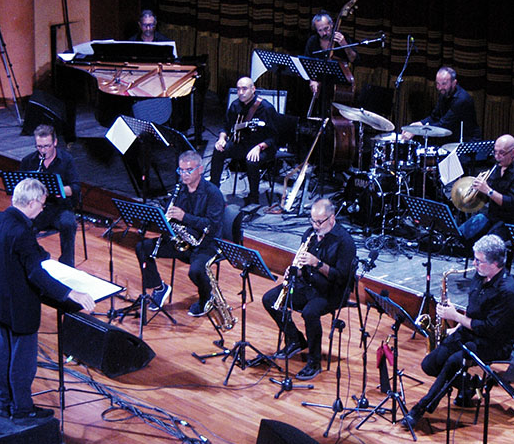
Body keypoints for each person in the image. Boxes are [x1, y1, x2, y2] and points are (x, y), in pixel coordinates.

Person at [0, 178, 95, 419]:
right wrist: (70, 293)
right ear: (31, 203)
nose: (43, 208)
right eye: (42, 204)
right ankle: (22, 409)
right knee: (23, 362)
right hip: (20, 306)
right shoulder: (22, 232)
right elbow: (35, 273)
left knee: (4, 354)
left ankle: (5, 402)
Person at [402, 234, 514, 428]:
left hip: (494, 343)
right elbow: (475, 310)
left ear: (495, 264)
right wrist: (457, 325)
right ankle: (468, 386)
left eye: (479, 260)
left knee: (453, 362)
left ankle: (420, 408)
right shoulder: (480, 276)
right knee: (430, 364)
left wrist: (456, 317)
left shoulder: (508, 291)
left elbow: (490, 329)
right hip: (470, 333)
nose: (474, 264)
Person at [262, 198, 357, 380]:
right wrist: (295, 271)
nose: (315, 225)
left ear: (332, 218)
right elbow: (302, 268)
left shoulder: (345, 242)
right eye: (313, 221)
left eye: (319, 221)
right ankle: (295, 339)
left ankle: (314, 362)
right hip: (308, 284)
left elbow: (342, 278)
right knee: (270, 300)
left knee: (310, 313)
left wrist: (318, 263)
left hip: (331, 291)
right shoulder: (309, 235)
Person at [134, 150, 224, 317]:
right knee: (142, 248)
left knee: (196, 271)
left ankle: (206, 299)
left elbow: (212, 226)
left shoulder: (213, 194)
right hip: (183, 241)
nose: (184, 175)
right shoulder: (179, 189)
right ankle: (159, 288)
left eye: (188, 170)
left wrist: (185, 217)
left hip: (206, 244)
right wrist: (163, 218)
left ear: (200, 169)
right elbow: (171, 215)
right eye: (181, 170)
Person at [209, 76, 278, 205]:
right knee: (218, 150)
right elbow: (226, 126)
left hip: (263, 147)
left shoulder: (266, 108)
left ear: (253, 89)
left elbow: (275, 137)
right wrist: (222, 139)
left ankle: (253, 199)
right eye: (238, 89)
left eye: (244, 89)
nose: (241, 92)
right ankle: (213, 192)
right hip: (240, 144)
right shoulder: (235, 105)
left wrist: (260, 147)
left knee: (251, 160)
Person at [19, 125, 79, 267]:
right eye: (39, 147)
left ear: (55, 142)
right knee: (21, 225)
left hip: (60, 208)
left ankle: (67, 265)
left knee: (68, 224)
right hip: (37, 209)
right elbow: (20, 189)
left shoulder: (66, 160)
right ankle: (30, 262)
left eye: (47, 146)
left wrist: (58, 189)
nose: (43, 150)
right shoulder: (28, 161)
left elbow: (75, 188)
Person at [458, 134, 514, 241]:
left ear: (513, 152)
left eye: (501, 153)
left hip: (511, 222)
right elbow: (487, 198)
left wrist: (487, 190)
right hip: (492, 215)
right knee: (461, 232)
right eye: (495, 152)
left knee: (487, 244)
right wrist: (477, 192)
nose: (497, 156)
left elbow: (510, 203)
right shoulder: (496, 167)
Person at [404, 65, 480, 143]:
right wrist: (417, 124)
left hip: (467, 143)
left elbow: (444, 125)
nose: (440, 88)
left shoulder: (461, 100)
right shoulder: (444, 94)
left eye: (444, 84)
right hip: (451, 140)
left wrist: (417, 130)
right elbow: (434, 117)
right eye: (438, 84)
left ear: (454, 83)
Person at [304, 10, 356, 112]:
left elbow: (353, 58)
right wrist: (312, 80)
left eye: (326, 29)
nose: (324, 33)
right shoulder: (313, 41)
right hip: (320, 87)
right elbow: (307, 63)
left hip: (340, 87)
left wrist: (344, 44)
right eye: (320, 30)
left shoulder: (342, 38)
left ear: (332, 24)